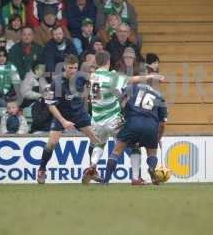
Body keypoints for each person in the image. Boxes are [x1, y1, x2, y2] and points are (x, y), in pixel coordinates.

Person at [82, 51, 165, 185]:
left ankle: (93, 166)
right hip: (112, 118)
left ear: (97, 62)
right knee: (135, 145)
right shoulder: (111, 76)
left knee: (99, 143)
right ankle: (136, 178)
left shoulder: (92, 77)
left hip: (96, 119)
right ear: (108, 62)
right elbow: (131, 80)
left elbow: (89, 97)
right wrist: (150, 75)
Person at [37, 54, 102, 184]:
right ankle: (42, 169)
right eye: (70, 68)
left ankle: (92, 170)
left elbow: (94, 83)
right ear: (65, 67)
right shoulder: (56, 82)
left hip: (79, 114)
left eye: (75, 68)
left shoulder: (81, 77)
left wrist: (94, 94)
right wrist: (63, 122)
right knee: (52, 142)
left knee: (97, 141)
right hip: (62, 115)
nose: (73, 71)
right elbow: (50, 105)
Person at [102, 82, 167, 185]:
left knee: (116, 152)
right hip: (150, 126)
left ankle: (105, 181)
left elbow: (118, 97)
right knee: (152, 153)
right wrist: (158, 138)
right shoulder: (159, 96)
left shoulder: (132, 88)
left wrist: (121, 113)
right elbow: (162, 124)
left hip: (133, 123)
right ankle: (151, 169)